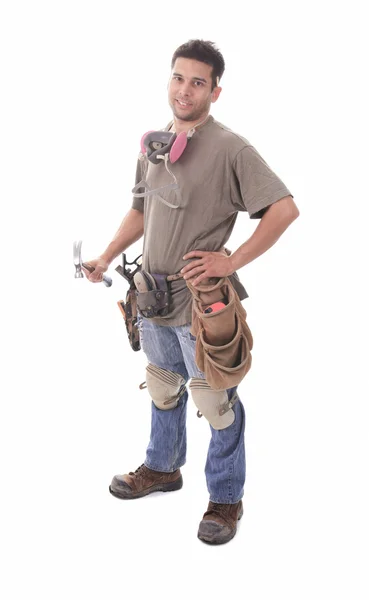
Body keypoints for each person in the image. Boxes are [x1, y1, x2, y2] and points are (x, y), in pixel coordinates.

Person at [84, 39, 299, 545]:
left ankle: (225, 499)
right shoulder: (154, 144)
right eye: (178, 78)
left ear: (215, 91)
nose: (185, 89)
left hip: (201, 301)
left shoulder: (230, 148)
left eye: (198, 82)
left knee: (216, 400)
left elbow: (284, 209)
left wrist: (232, 259)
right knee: (163, 385)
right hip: (152, 293)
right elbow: (140, 210)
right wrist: (105, 255)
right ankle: (163, 468)